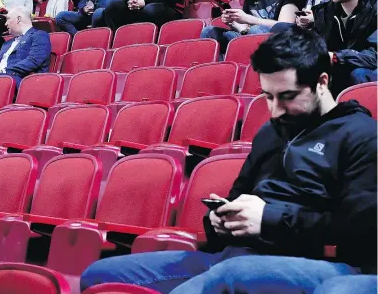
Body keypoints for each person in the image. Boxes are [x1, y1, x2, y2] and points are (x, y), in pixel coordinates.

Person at [81, 26, 377, 293]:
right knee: (101, 275)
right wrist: (220, 221)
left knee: (231, 275)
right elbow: (238, 196)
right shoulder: (270, 133)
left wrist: (268, 221)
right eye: (268, 96)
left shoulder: (361, 135)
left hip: (311, 262)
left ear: (322, 82)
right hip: (235, 256)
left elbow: (359, 229)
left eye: (287, 96)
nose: (275, 110)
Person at [312, 0, 377, 93]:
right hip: (340, 79)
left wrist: (335, 57)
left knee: (359, 73)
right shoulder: (325, 12)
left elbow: (375, 56)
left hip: (368, 79)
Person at [0, 6, 51, 87]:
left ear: (18, 19)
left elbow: (33, 61)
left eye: (8, 19)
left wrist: (5, 71)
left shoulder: (39, 35)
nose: (5, 23)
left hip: (17, 80)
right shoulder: (8, 43)